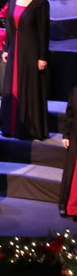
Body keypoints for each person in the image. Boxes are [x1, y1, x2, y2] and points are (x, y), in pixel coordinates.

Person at [0, 0, 51, 140]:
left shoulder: (40, 2)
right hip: (15, 48)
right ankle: (10, 126)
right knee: (12, 85)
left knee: (28, 87)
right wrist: (7, 48)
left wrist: (42, 56)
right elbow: (8, 25)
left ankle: (28, 128)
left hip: (31, 50)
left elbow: (44, 31)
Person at [62, 84, 77, 219]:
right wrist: (66, 135)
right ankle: (71, 207)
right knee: (73, 173)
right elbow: (70, 113)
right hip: (75, 135)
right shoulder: (76, 90)